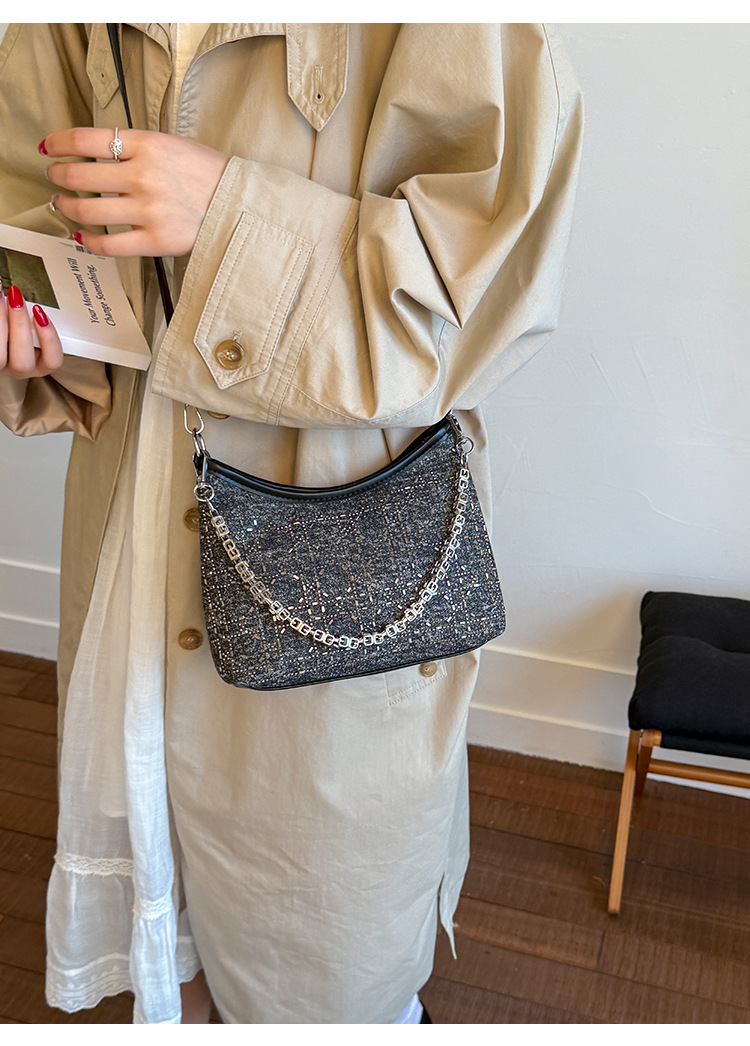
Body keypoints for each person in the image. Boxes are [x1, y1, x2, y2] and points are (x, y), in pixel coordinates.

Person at [0, 24, 583, 1024]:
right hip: (135, 513)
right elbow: (32, 186)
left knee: (326, 949)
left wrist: (229, 218)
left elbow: (489, 284)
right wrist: (36, 315)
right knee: (167, 905)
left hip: (335, 529)